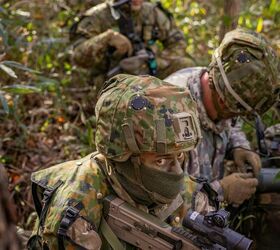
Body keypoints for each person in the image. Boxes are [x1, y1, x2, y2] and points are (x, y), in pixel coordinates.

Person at [27, 74, 214, 249]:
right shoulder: (77, 203)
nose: (177, 171)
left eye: (179, 156)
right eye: (160, 161)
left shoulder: (192, 195)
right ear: (124, 158)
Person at [165, 28, 280, 207]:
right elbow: (159, 202)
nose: (239, 117)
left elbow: (233, 124)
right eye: (238, 112)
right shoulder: (169, 116)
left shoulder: (220, 83)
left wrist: (239, 146)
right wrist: (221, 191)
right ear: (223, 100)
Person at [70, 0, 193, 92]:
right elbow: (78, 57)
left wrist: (156, 62)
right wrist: (107, 38)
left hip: (149, 72)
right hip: (112, 81)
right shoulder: (97, 16)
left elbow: (178, 42)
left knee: (184, 66)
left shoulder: (151, 12)